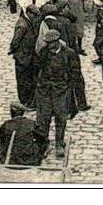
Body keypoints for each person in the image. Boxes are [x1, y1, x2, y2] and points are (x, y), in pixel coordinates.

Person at [33, 24, 71, 158]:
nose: (49, 46)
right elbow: (36, 68)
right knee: (43, 119)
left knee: (61, 118)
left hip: (61, 90)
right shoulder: (43, 52)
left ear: (57, 41)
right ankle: (43, 144)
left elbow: (75, 74)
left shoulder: (68, 54)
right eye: (47, 43)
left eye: (51, 43)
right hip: (44, 90)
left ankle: (59, 143)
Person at [0, 101, 46, 166]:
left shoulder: (6, 125)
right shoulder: (31, 124)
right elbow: (43, 138)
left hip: (9, 160)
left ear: (11, 113)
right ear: (23, 113)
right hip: (30, 161)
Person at [9, 5, 39, 108]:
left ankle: (28, 99)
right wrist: (14, 50)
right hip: (23, 56)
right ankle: (24, 100)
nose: (35, 17)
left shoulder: (28, 21)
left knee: (28, 78)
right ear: (29, 13)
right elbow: (16, 40)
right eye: (34, 15)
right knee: (22, 79)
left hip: (29, 55)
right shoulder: (22, 24)